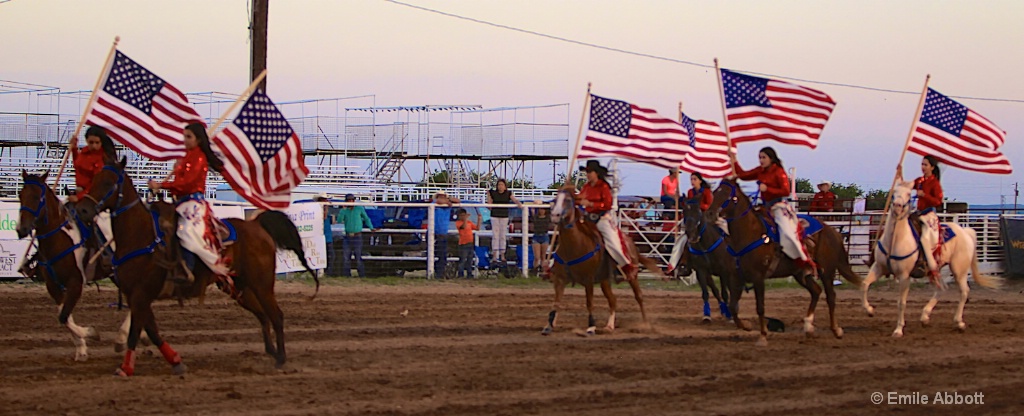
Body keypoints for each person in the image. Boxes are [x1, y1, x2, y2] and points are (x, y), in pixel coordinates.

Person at [148, 123, 229, 282]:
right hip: (180, 202)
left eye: (189, 137)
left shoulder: (199, 157)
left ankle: (188, 268)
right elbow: (179, 183)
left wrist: (162, 185)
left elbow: (187, 184)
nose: (185, 140)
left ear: (198, 140)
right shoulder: (186, 157)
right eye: (184, 136)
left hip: (193, 203)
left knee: (186, 231)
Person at [728, 146, 815, 276]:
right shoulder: (760, 171)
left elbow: (785, 191)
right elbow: (743, 175)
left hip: (778, 206)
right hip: (764, 207)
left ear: (771, 158)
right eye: (760, 157)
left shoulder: (779, 171)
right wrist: (734, 161)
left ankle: (804, 261)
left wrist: (767, 189)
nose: (761, 160)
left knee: (787, 232)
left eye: (764, 157)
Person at [576, 160, 637, 281]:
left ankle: (626, 266)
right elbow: (579, 198)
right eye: (587, 172)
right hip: (588, 217)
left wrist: (591, 204)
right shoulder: (586, 187)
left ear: (596, 173)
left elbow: (608, 205)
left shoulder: (603, 186)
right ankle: (557, 265)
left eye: (589, 172)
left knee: (612, 241)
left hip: (602, 218)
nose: (587, 174)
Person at [896, 155, 944, 279]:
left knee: (925, 237)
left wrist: (924, 195)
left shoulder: (935, 183)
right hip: (919, 213)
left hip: (929, 214)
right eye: (922, 164)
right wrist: (900, 174)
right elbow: (905, 185)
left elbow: (938, 201)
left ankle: (925, 262)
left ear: (932, 167)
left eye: (925, 165)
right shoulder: (920, 180)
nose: (923, 167)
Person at [665, 172, 714, 275]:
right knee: (681, 239)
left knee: (723, 227)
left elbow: (710, 205)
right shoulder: (690, 192)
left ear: (700, 180)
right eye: (691, 179)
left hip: (706, 216)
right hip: (693, 218)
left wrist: (699, 206)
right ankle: (674, 264)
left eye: (695, 179)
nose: (692, 181)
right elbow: (689, 204)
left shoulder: (706, 191)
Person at [69, 126, 117, 203]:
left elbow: (95, 184)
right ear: (86, 140)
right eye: (91, 142)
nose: (94, 146)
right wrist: (74, 149)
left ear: (101, 142)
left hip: (93, 196)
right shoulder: (84, 152)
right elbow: (78, 166)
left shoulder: (103, 159)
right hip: (80, 192)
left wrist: (79, 197)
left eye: (97, 143)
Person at [337, 193, 374, 277]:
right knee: (346, 257)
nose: (350, 201)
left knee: (358, 256)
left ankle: (361, 275)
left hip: (357, 236)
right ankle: (347, 275)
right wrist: (342, 211)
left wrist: (371, 227)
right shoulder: (344, 211)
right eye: (349, 200)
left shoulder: (359, 209)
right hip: (348, 236)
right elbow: (339, 220)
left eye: (351, 200)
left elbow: (366, 218)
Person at [486, 179, 523, 264]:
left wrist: (519, 203)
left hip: (504, 216)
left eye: (502, 185)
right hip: (495, 216)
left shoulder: (508, 193)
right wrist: (488, 195)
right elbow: (489, 205)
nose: (500, 186)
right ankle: (495, 255)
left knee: (502, 236)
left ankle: (502, 255)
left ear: (505, 186)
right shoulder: (494, 193)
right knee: (495, 235)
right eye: (499, 185)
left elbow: (515, 200)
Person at [433, 191, 460, 278]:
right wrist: (447, 201)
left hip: (442, 233)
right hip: (434, 232)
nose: (442, 197)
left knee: (442, 255)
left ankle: (439, 274)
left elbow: (458, 201)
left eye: (443, 196)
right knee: (435, 253)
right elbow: (437, 201)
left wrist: (449, 200)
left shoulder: (447, 205)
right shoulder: (435, 204)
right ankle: (436, 272)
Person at [454, 208, 480, 278]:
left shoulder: (469, 223)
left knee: (470, 259)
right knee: (462, 259)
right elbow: (463, 227)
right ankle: (460, 274)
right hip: (463, 244)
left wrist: (479, 219)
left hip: (470, 243)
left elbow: (477, 228)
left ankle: (469, 273)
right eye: (461, 215)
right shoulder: (458, 223)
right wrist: (465, 219)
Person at [316, 193, 337, 277]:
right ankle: (322, 272)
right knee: (322, 255)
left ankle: (328, 272)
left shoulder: (327, 211)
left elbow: (333, 221)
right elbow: (324, 217)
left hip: (328, 236)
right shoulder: (318, 210)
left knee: (331, 255)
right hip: (321, 236)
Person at [530, 200, 552, 275]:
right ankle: (535, 271)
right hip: (536, 236)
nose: (541, 211)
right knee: (537, 257)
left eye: (543, 209)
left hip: (544, 236)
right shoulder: (535, 217)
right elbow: (531, 209)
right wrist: (535, 203)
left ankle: (543, 272)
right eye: (540, 209)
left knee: (543, 256)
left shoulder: (548, 217)